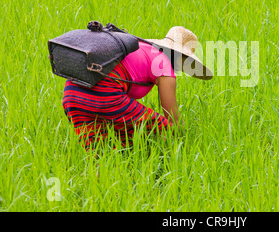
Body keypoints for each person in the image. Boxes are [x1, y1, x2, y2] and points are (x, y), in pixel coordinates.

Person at [62, 26, 213, 151]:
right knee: (161, 128)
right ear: (182, 57)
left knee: (100, 154)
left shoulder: (140, 47)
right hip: (106, 96)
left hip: (71, 95)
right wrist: (186, 144)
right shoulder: (164, 65)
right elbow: (172, 119)